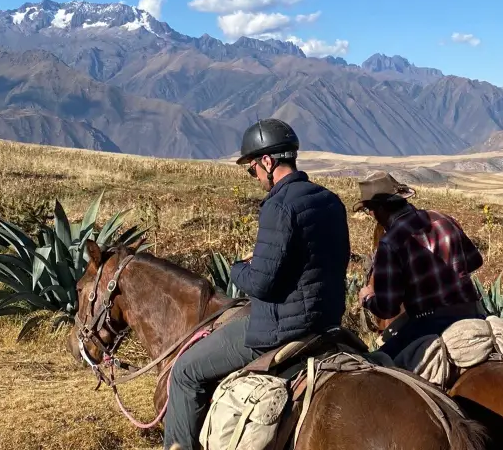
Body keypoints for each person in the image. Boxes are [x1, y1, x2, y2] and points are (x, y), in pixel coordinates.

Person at [162, 118, 352, 450]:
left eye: (253, 170)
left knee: (185, 372)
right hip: (327, 322)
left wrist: (239, 268)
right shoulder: (329, 200)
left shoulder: (279, 205)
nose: (256, 177)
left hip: (280, 331)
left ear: (267, 161)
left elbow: (261, 285)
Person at [356, 171, 486, 361]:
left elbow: (388, 308)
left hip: (428, 324)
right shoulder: (443, 218)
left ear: (380, 208)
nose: (370, 214)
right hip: (473, 312)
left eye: (370, 209)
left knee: (374, 366)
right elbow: (475, 261)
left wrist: (367, 297)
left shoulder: (390, 243)